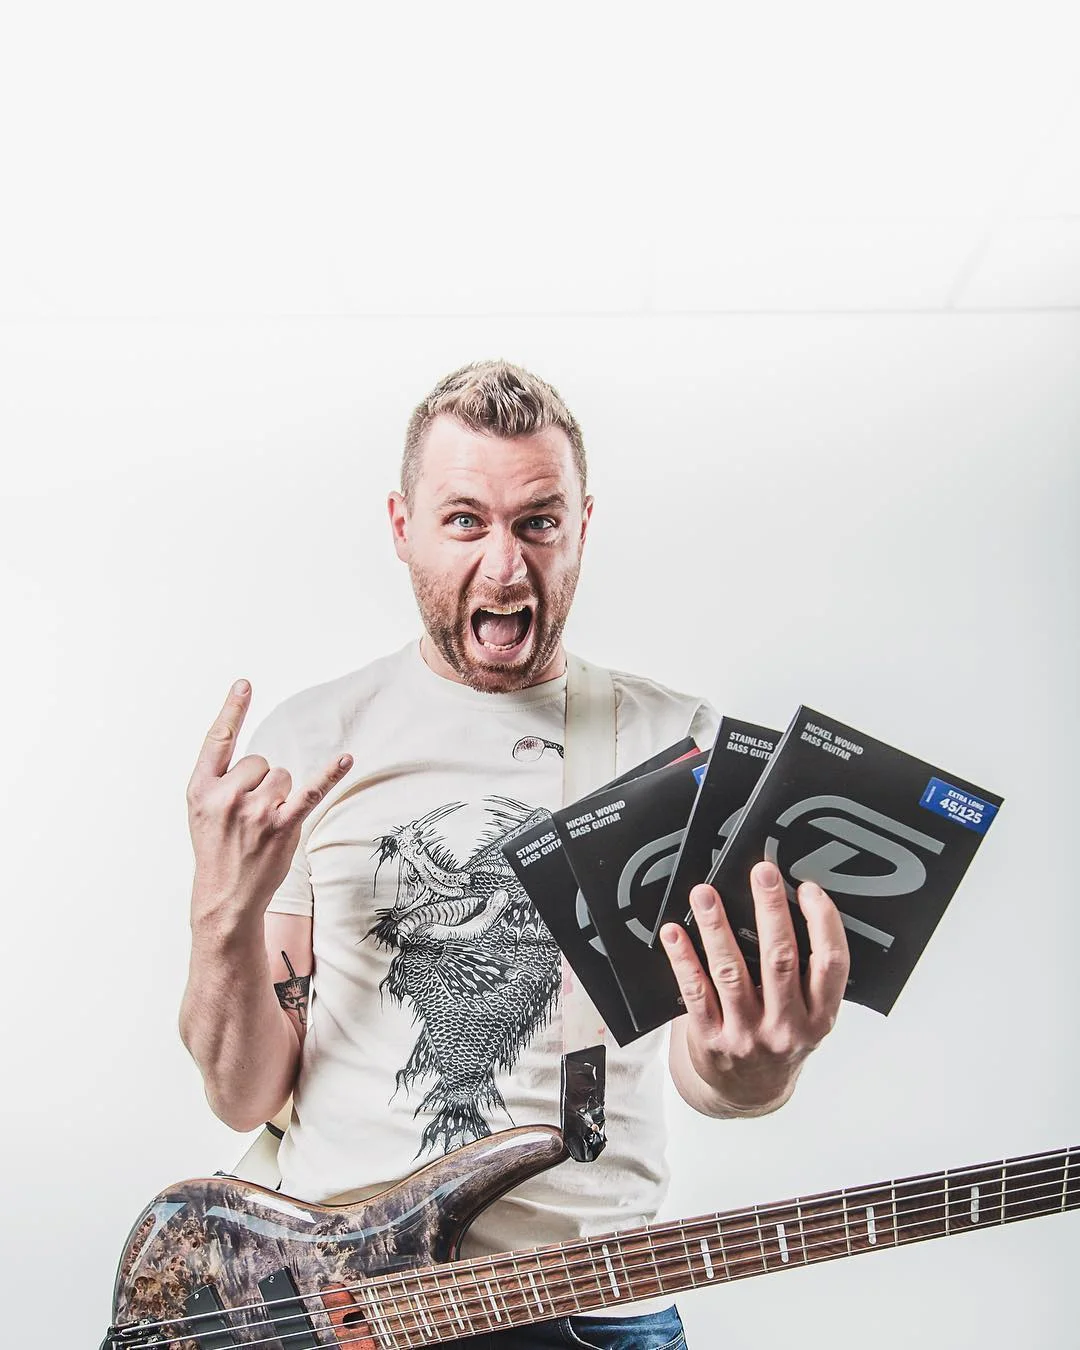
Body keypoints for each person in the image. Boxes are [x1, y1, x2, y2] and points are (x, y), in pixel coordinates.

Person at [180, 360, 850, 1349]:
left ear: (583, 527)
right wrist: (221, 911)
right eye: (465, 521)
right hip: (347, 1308)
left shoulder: (676, 746)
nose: (504, 568)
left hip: (593, 1305)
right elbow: (245, 1094)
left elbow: (710, 1073)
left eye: (539, 522)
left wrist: (756, 1066)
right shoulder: (315, 740)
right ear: (402, 525)